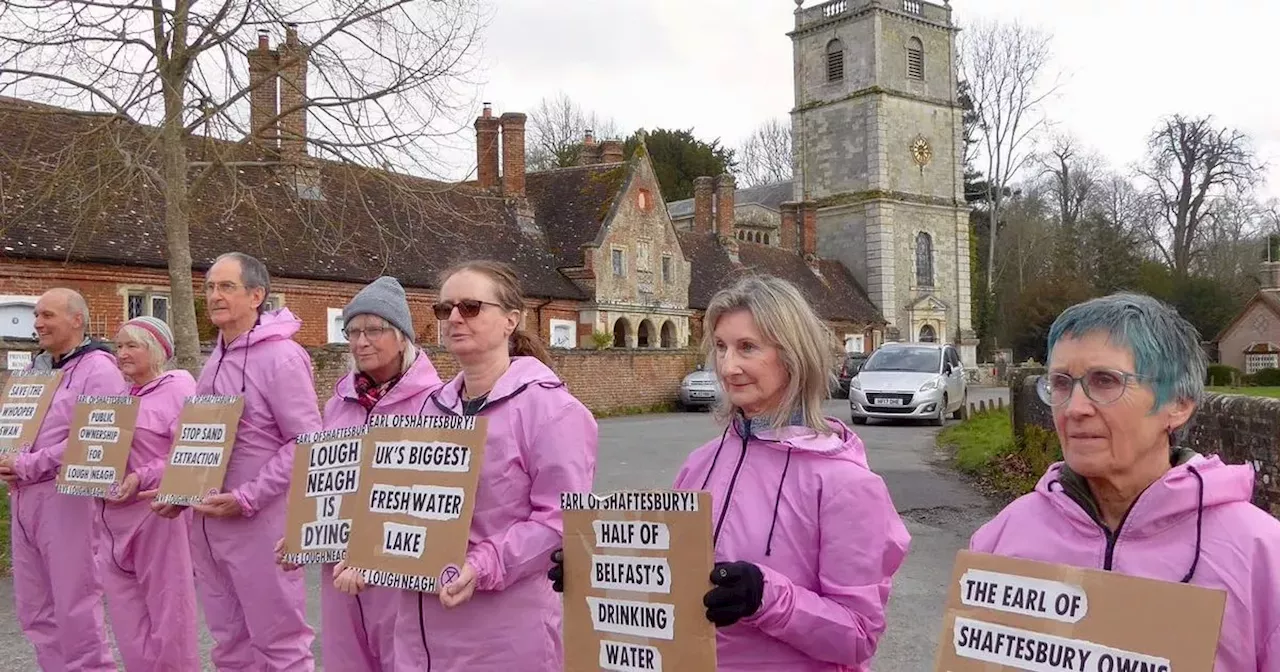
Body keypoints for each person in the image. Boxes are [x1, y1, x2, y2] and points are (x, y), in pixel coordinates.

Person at [550, 275, 912, 671]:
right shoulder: (701, 463)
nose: (728, 365)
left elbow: (857, 637)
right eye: (721, 347)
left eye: (747, 348)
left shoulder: (847, 484)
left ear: (793, 355)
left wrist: (765, 598)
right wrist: (601, 573)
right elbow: (670, 582)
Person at [969, 292, 1280, 669]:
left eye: (1105, 381)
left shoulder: (1261, 555)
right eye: (1062, 383)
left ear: (1178, 404)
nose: (1074, 408)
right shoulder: (1002, 537)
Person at [335, 260, 598, 671]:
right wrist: (369, 552)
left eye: (471, 307)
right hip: (417, 634)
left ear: (512, 319)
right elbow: (398, 503)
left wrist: (482, 564)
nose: (455, 317)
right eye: (445, 309)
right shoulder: (428, 406)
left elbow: (561, 520)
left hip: (502, 634)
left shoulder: (551, 410)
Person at [148, 251, 321, 670]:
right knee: (230, 644)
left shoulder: (281, 357)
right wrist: (181, 490)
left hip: (260, 526)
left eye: (226, 286)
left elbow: (309, 441)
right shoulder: (217, 356)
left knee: (281, 646)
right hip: (211, 527)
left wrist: (248, 497)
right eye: (209, 287)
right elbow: (206, 438)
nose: (214, 295)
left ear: (256, 295)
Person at [274, 276, 444, 670]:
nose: (360, 341)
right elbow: (325, 478)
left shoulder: (436, 404)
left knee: (401, 660)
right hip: (338, 569)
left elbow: (431, 500)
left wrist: (372, 556)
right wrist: (302, 534)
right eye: (352, 331)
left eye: (373, 329)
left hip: (400, 576)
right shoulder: (339, 404)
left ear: (402, 336)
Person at [0, 288, 123, 671]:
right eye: (37, 315)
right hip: (24, 498)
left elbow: (101, 439)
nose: (38, 323)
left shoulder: (101, 369)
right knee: (35, 609)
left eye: (48, 315)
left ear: (76, 319)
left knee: (75, 604)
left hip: (68, 496)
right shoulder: (36, 369)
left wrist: (30, 463)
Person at [101, 315, 200, 670]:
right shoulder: (119, 397)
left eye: (132, 345)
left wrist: (141, 475)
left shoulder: (180, 389)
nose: (122, 353)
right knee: (127, 614)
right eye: (119, 346)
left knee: (169, 610)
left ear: (156, 350)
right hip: (114, 520)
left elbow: (190, 451)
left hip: (159, 513)